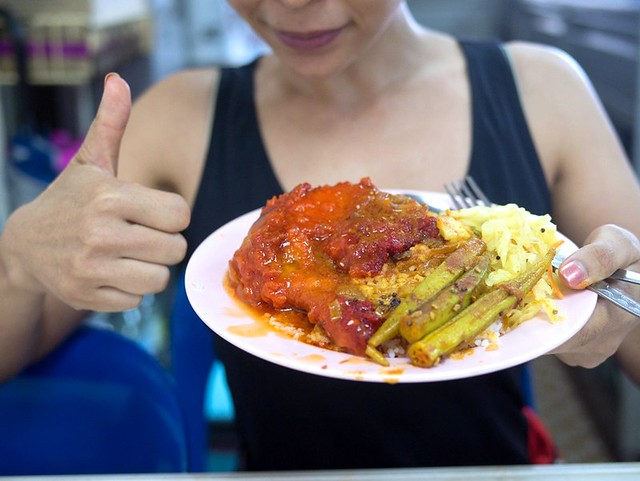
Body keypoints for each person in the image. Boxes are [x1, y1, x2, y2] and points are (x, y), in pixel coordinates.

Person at [1, 0, 639, 470]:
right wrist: (19, 260)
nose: (290, 4)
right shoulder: (176, 117)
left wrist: (625, 299)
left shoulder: (544, 90)